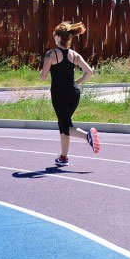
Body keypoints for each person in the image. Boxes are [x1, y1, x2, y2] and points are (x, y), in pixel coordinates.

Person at [40, 21, 100, 166]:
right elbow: (89, 72)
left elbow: (42, 77)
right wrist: (76, 83)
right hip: (74, 94)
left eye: (54, 35)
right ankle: (63, 157)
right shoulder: (74, 54)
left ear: (58, 37)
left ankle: (88, 136)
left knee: (66, 126)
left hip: (59, 95)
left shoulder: (51, 54)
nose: (53, 37)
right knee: (64, 124)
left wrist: (43, 70)